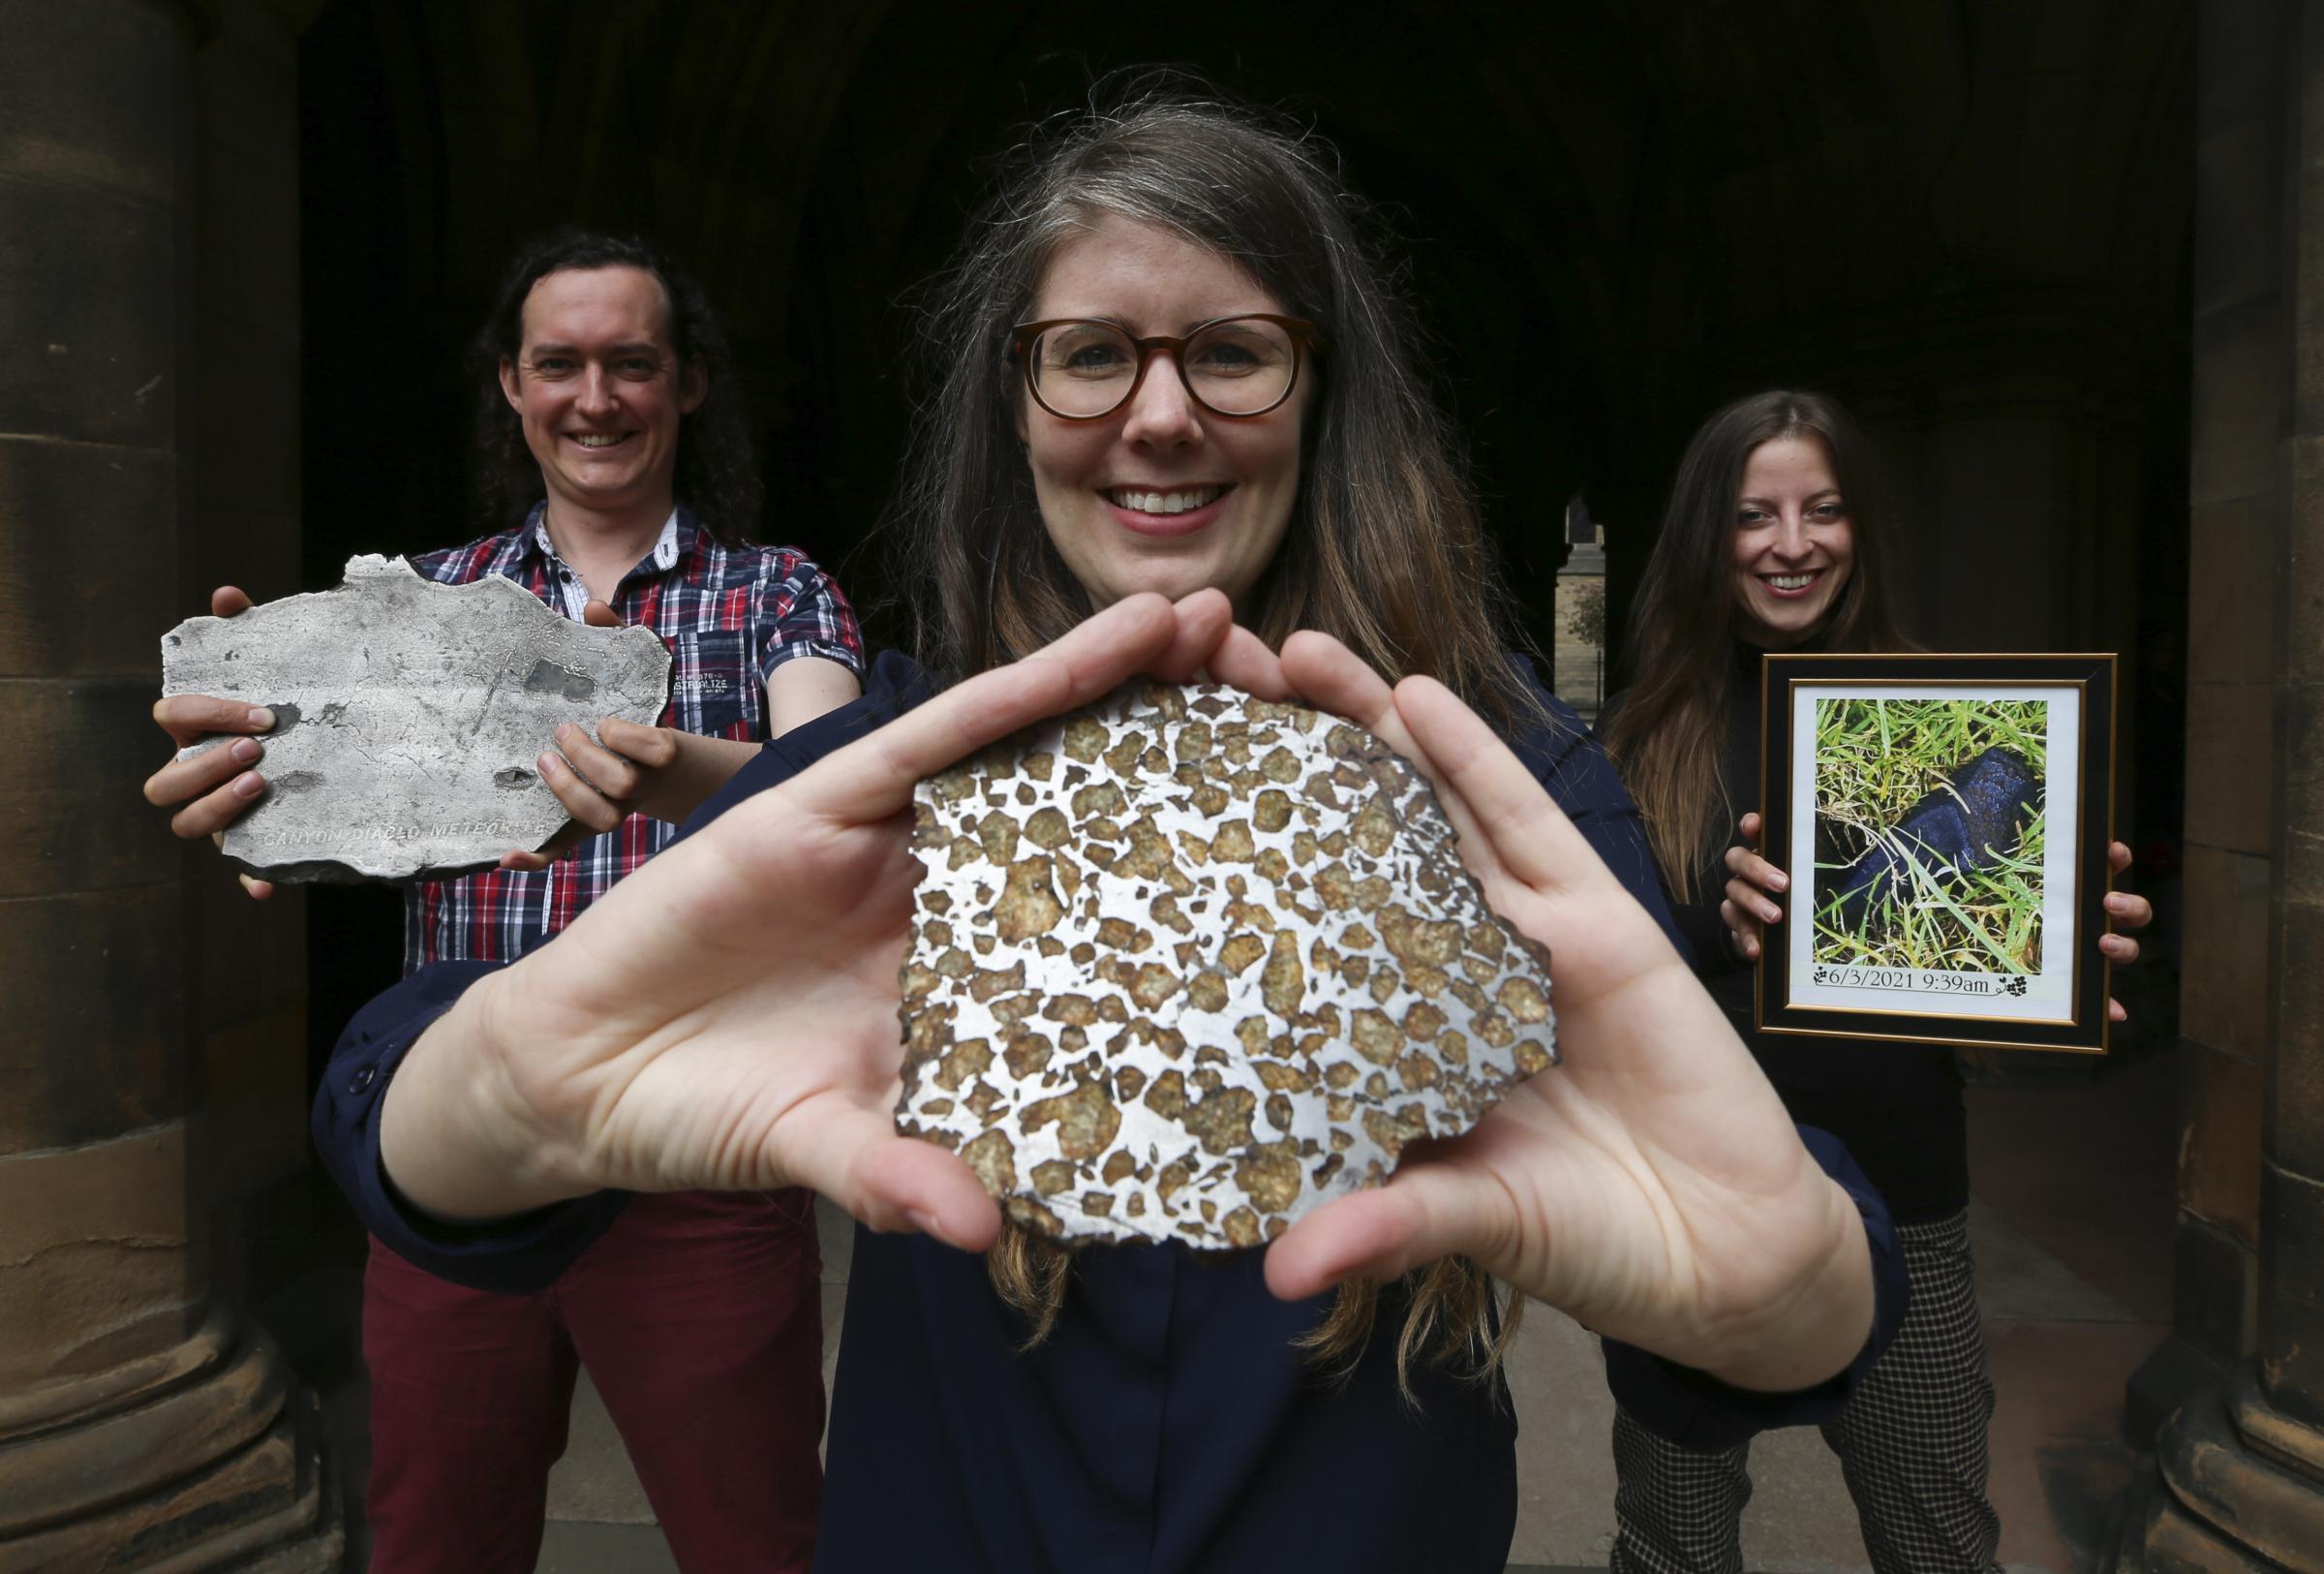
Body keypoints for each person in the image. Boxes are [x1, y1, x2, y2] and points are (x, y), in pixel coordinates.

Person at [307, 99, 1906, 1574]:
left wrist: (1792, 1294)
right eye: (1090, 355)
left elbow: (1747, 1239)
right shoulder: (897, 778)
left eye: (1231, 352)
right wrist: (501, 1094)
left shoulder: (1507, 788)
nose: (1158, 416)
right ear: (1017, 400)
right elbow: (397, 1087)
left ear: (1320, 390)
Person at [144, 231, 861, 1573]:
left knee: (755, 1538)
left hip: (692, 1143)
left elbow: (829, 798)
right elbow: (304, 807)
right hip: (460, 1146)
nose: (597, 396)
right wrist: (273, 797)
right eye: (561, 364)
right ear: (514, 390)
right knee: (437, 1542)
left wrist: (660, 774)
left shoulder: (777, 594)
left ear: (689, 384)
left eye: (632, 363)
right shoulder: (428, 608)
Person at [1598, 389, 2154, 1574]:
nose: (1792, 542)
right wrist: (1717, 931)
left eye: (1823, 509)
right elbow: (1586, 979)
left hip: (1903, 1188)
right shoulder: (1641, 738)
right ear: (1710, 534)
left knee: (1938, 1538)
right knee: (1673, 1542)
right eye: (1755, 514)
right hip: (1694, 1204)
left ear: (1860, 529)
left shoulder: (1953, 713)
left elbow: (1963, 979)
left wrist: (2048, 954)